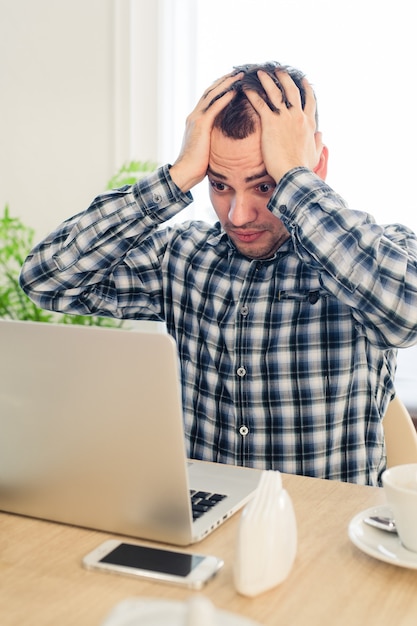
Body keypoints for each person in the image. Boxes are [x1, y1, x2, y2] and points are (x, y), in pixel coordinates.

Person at [19, 61, 417, 486]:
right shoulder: (181, 256)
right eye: (219, 184)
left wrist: (294, 181)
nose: (238, 214)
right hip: (205, 528)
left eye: (265, 185)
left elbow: (405, 313)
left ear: (314, 164)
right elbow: (46, 278)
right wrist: (175, 178)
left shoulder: (376, 252)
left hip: (324, 535)